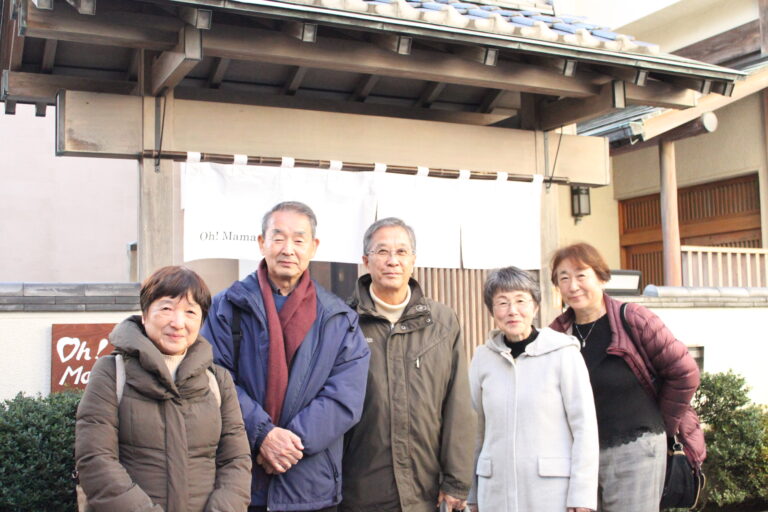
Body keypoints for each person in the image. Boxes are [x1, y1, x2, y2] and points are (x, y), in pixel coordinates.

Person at [202, 201, 371, 512]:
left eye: (298, 239)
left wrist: (288, 444)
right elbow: (212, 378)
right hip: (241, 480)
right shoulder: (227, 307)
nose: (288, 249)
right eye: (278, 238)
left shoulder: (337, 318)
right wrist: (262, 434)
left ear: (313, 246)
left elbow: (344, 396)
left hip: (310, 482)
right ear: (261, 242)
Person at [75, 265, 252, 512]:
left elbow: (236, 460)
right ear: (145, 314)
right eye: (167, 308)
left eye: (190, 311)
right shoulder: (111, 372)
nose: (178, 323)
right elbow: (96, 460)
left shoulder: (218, 380)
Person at [549, 242, 704, 512]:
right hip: (582, 458)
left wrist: (660, 423)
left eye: (581, 275)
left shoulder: (633, 318)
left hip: (636, 451)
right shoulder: (556, 333)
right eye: (564, 278)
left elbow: (685, 373)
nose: (573, 286)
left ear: (601, 277)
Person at [341, 217, 475, 512]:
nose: (392, 261)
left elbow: (458, 405)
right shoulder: (342, 321)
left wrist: (456, 482)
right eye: (382, 252)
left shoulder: (442, 322)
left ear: (413, 260)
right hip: (360, 489)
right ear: (365, 260)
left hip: (426, 491)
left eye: (402, 252)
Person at [467, 266, 598, 512]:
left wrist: (581, 497)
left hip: (550, 492)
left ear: (535, 306)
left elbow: (585, 428)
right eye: (502, 303)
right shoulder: (482, 358)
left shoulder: (563, 354)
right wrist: (472, 494)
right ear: (492, 310)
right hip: (495, 491)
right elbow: (476, 431)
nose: (512, 311)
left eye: (521, 300)